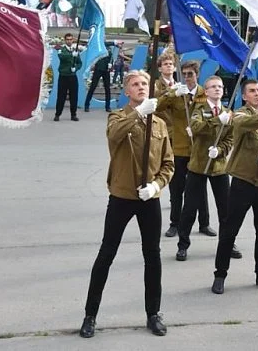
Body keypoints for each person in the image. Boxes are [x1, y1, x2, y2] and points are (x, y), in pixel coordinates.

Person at [79, 70, 174, 338]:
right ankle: (90, 315)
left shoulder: (160, 125)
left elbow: (168, 163)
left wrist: (156, 186)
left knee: (152, 256)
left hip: (148, 199)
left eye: (144, 83)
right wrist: (139, 112)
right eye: (135, 84)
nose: (141, 87)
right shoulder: (119, 117)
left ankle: (153, 313)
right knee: (106, 254)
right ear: (126, 91)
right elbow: (114, 135)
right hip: (122, 195)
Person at [212, 79, 258, 295]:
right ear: (244, 96)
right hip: (242, 182)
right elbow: (242, 125)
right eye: (252, 91)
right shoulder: (241, 114)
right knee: (229, 231)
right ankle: (220, 274)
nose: (257, 94)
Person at [176, 76, 242, 261]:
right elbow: (195, 127)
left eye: (220, 86)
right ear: (206, 91)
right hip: (198, 165)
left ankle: (228, 243)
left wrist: (220, 150)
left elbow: (231, 139)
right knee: (189, 208)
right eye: (213, 87)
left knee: (226, 210)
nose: (217, 89)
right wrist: (216, 121)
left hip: (219, 167)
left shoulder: (228, 112)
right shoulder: (199, 108)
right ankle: (183, 245)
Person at [156, 60, 212, 238]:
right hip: (179, 148)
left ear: (197, 75)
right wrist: (172, 94)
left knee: (200, 189)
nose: (187, 77)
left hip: (199, 148)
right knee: (176, 188)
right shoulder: (175, 93)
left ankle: (204, 223)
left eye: (191, 74)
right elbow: (157, 106)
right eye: (184, 74)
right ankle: (175, 223)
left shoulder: (205, 94)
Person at [55, 33, 82, 122]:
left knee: (74, 96)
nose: (69, 41)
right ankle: (57, 114)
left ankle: (73, 115)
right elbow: (62, 57)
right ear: (65, 40)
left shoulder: (75, 51)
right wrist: (71, 55)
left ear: (73, 40)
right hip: (63, 76)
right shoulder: (61, 50)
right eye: (67, 39)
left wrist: (76, 68)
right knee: (61, 96)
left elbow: (79, 63)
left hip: (73, 77)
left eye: (70, 39)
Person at [85, 45, 113, 113]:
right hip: (98, 69)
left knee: (107, 89)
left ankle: (108, 106)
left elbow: (111, 59)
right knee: (93, 87)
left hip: (106, 71)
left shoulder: (109, 51)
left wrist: (111, 64)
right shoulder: (98, 50)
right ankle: (86, 105)